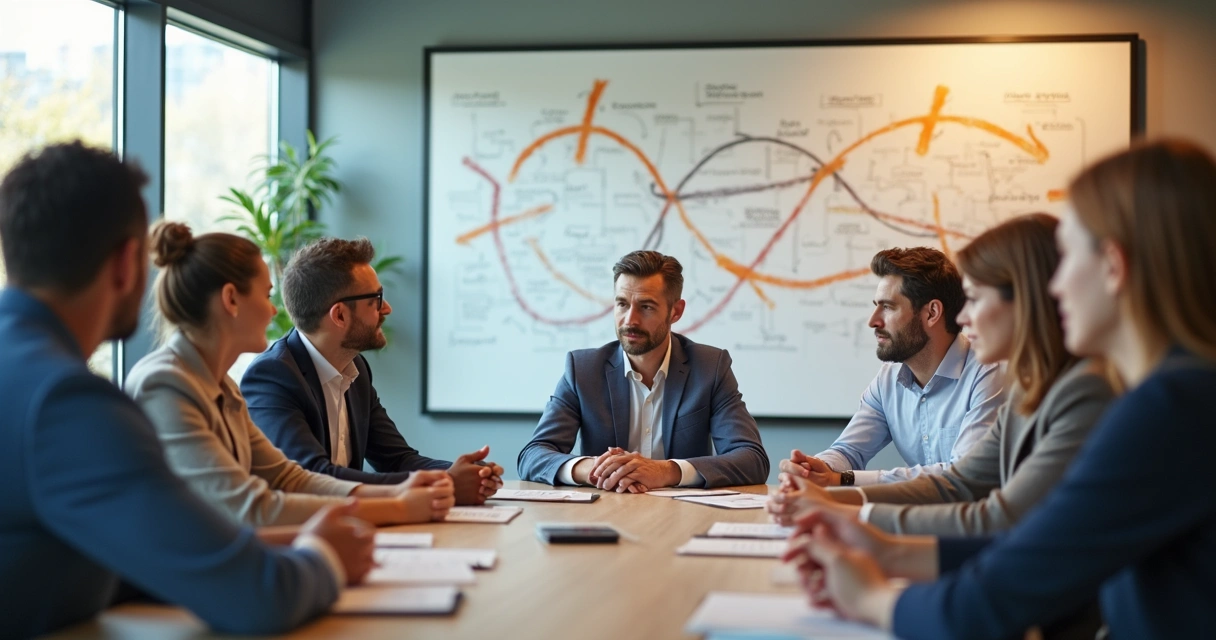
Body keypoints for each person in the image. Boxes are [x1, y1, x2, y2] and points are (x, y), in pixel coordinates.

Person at [784, 139, 1216, 638]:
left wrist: (869, 596)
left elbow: (998, 586)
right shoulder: (1172, 394)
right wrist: (878, 542)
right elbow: (1038, 542)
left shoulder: (1167, 406)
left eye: (1069, 257)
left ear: (1114, 267)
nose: (1054, 288)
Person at [0, 142, 374, 638]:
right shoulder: (66, 403)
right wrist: (324, 554)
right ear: (127, 262)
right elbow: (257, 597)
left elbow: (132, 555)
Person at [768, 214, 1116, 537]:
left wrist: (846, 509)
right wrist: (827, 493)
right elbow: (959, 483)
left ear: (1026, 301)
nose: (962, 318)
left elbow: (997, 517)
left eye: (975, 299)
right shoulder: (1030, 390)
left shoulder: (1077, 391)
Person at [125, 221, 454, 529]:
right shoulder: (165, 383)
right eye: (267, 295)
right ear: (231, 300)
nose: (274, 311)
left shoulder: (222, 385)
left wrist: (407, 491)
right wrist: (398, 506)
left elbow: (291, 480)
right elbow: (252, 508)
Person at [241, 237, 503, 505]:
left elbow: (397, 459)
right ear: (340, 315)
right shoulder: (272, 377)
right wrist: (445, 483)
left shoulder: (356, 370)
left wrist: (470, 474)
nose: (386, 308)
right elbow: (313, 477)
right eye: (376, 300)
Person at [517, 250, 769, 491]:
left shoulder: (710, 368)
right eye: (622, 304)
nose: (630, 320)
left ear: (676, 311)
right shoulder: (583, 370)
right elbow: (533, 455)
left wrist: (664, 472)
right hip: (604, 513)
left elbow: (752, 459)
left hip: (682, 518)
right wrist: (596, 469)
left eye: (646, 307)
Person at [783, 247, 1005, 487]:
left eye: (888, 307)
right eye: (876, 306)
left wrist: (844, 479)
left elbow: (964, 475)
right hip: (924, 519)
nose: (873, 321)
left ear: (932, 313)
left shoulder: (988, 373)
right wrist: (815, 469)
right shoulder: (888, 379)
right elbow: (848, 451)